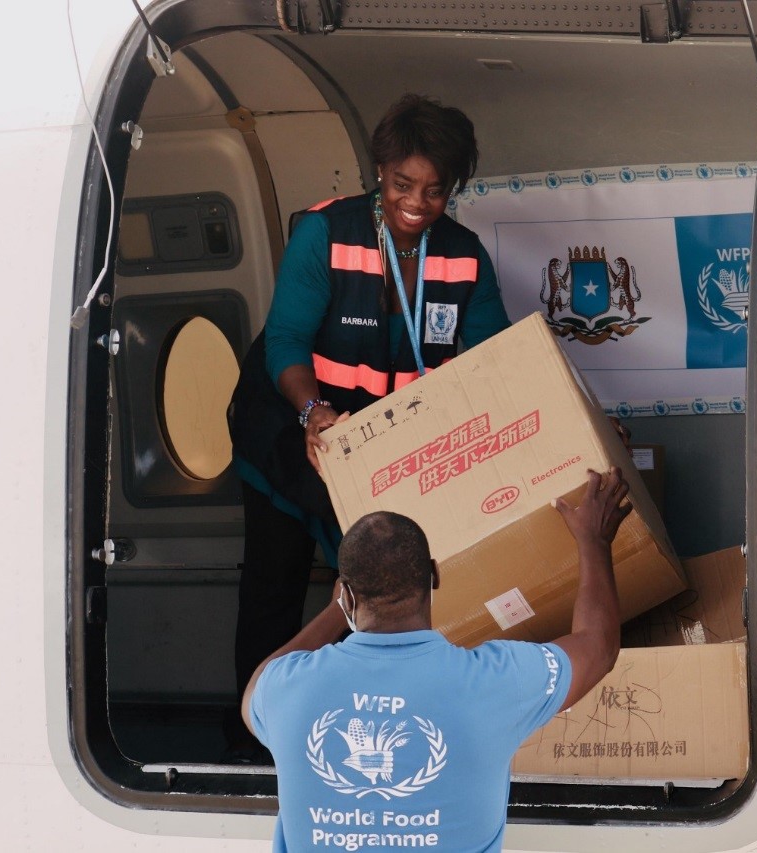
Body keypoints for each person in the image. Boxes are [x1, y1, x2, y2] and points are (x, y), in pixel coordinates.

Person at [223, 94, 510, 760]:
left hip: (380, 447)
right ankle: (249, 746)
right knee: (276, 580)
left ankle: (343, 745)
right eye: (402, 184)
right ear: (377, 171)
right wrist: (311, 413)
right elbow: (288, 338)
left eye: (436, 190)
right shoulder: (326, 232)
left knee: (374, 594)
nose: (417, 202)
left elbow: (493, 364)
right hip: (291, 430)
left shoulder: (464, 259)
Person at [243, 467, 631, 852]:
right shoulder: (495, 680)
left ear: (346, 594)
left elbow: (255, 691)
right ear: (433, 576)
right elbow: (598, 647)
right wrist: (593, 541)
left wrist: (335, 612)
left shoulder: (285, 688)